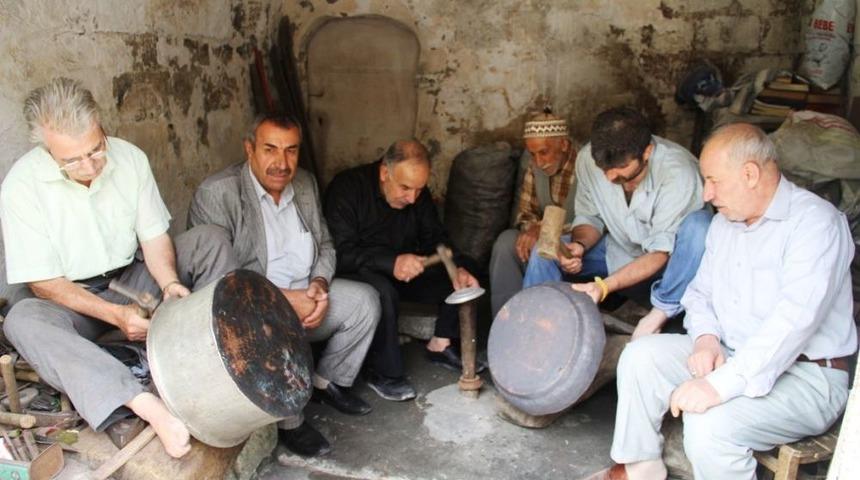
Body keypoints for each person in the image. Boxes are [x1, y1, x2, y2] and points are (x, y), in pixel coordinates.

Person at [590, 123, 857, 480]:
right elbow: (700, 294)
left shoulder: (815, 224)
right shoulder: (724, 224)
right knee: (641, 357)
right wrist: (705, 338)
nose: (706, 194)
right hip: (733, 351)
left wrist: (718, 385)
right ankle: (641, 469)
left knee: (710, 426)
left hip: (808, 376)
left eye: (713, 180)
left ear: (750, 174)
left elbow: (793, 323)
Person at [0, 78, 235, 458]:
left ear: (101, 126)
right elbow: (44, 283)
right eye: (72, 160)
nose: (89, 165)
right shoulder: (21, 186)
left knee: (209, 240)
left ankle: (215, 361)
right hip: (70, 300)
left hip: (131, 278)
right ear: (45, 147)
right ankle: (141, 402)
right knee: (23, 321)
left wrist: (170, 281)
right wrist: (114, 314)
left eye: (96, 150)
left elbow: (155, 238)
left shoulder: (130, 158)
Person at [188, 113, 380, 457]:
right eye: (270, 149)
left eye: (291, 150)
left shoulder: (304, 184)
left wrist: (319, 285)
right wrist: (282, 300)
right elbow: (219, 286)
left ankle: (326, 380)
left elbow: (325, 245)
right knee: (270, 324)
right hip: (255, 313)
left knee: (365, 301)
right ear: (250, 150)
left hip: (307, 297)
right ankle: (291, 422)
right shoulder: (219, 193)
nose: (282, 162)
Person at [522, 107, 711, 339]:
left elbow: (661, 253)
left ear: (647, 152)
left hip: (668, 271)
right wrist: (580, 246)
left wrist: (604, 287)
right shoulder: (588, 159)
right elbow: (590, 217)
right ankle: (537, 336)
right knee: (543, 255)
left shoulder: (678, 173)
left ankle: (662, 311)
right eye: (607, 174)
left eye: (626, 176)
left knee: (700, 226)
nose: (614, 181)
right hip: (620, 253)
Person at [324, 139, 483, 402]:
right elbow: (340, 254)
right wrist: (391, 262)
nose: (412, 198)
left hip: (409, 269)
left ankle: (440, 344)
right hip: (362, 269)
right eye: (405, 188)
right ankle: (384, 373)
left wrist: (457, 268)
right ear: (385, 173)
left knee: (469, 271)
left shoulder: (417, 195)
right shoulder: (347, 189)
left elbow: (436, 238)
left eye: (419, 190)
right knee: (382, 293)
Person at [489, 110, 577, 316]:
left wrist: (545, 230)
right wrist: (533, 229)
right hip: (542, 233)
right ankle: (506, 322)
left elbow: (592, 219)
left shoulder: (586, 165)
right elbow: (526, 213)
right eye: (533, 154)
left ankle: (540, 323)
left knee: (542, 247)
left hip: (577, 239)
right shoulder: (534, 166)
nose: (538, 161)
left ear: (563, 145)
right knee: (505, 242)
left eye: (544, 152)